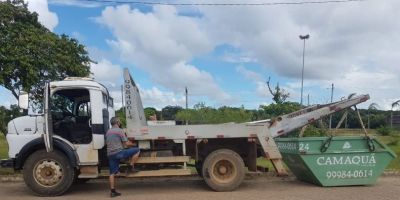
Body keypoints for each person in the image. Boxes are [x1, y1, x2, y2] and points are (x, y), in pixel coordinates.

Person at [106, 117, 140, 197]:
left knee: (112, 173)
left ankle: (113, 191)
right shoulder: (120, 131)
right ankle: (131, 166)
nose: (120, 122)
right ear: (117, 122)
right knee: (137, 150)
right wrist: (134, 144)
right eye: (120, 121)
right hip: (119, 153)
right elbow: (126, 144)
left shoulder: (108, 131)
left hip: (110, 154)